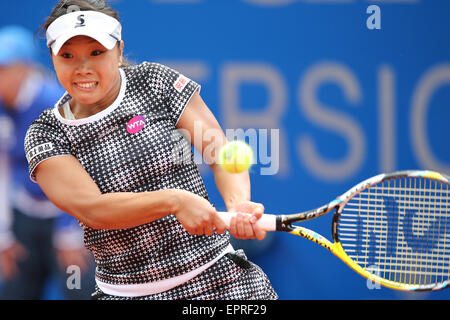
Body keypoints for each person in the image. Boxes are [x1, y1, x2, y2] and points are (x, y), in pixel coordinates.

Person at [25, 0, 278, 300]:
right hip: (124, 294)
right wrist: (174, 201)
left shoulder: (154, 82)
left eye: (96, 52)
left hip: (223, 283)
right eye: (67, 55)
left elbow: (220, 152)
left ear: (118, 51)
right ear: (53, 58)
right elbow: (93, 209)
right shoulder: (45, 135)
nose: (82, 68)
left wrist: (237, 204)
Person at [0, 25, 95, 299]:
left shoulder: (55, 104)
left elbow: (80, 167)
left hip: (67, 220)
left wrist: (69, 231)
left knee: (79, 291)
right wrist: (3, 234)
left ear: (24, 69)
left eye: (3, 69)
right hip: (24, 222)